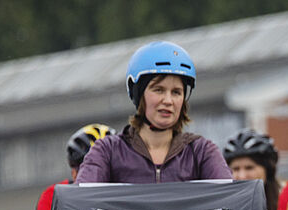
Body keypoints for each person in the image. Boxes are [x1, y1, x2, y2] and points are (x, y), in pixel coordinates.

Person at [75, 41, 230, 184]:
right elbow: (81, 198)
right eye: (158, 90)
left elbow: (229, 196)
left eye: (176, 92)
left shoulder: (201, 152)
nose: (168, 100)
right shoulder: (108, 151)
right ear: (139, 93)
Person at [224, 129, 281, 210]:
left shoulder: (287, 204)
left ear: (268, 170)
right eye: (236, 169)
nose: (242, 176)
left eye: (249, 168)